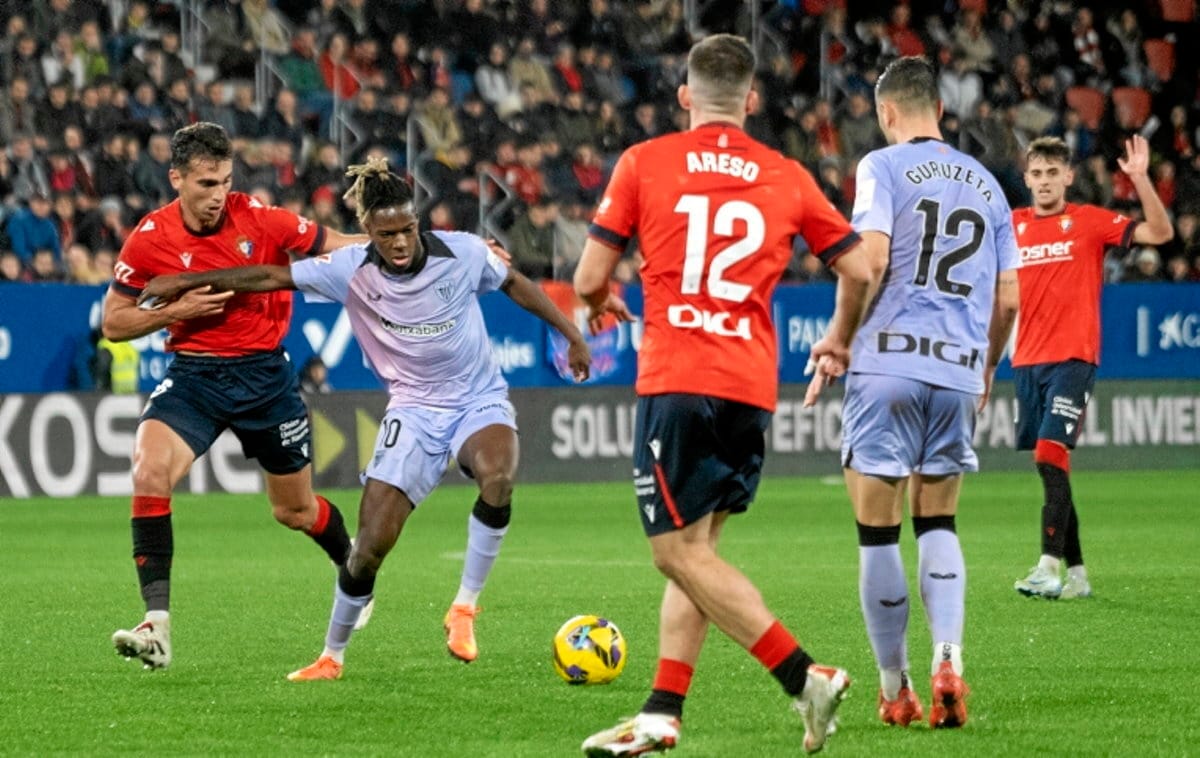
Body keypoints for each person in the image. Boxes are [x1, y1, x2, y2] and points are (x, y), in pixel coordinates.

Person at [138, 157, 592, 680]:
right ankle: (332, 655)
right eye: (385, 235)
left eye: (406, 230)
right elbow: (267, 275)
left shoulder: (464, 252)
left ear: (416, 223)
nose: (398, 243)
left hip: (477, 398)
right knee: (370, 547)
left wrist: (571, 334)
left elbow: (514, 282)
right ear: (368, 233)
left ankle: (464, 607)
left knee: (498, 477)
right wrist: (184, 282)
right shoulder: (348, 270)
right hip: (413, 410)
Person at [574, 34, 880, 756]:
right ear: (751, 100)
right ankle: (660, 712)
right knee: (699, 549)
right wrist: (837, 339)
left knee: (673, 554)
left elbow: (589, 275)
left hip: (679, 374)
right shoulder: (787, 174)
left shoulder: (645, 161)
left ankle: (805, 675)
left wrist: (602, 300)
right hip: (749, 386)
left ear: (684, 96)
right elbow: (860, 268)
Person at [101, 122, 370, 670]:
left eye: (225, 181)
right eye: (205, 183)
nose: (218, 195)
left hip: (266, 381)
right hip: (195, 378)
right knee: (149, 472)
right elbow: (113, 320)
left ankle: (351, 568)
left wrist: (420, 243)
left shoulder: (263, 219)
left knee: (293, 510)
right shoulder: (150, 237)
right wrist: (176, 313)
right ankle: (158, 627)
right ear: (176, 179)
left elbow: (339, 246)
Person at [805, 56, 1021, 731]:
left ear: (887, 112)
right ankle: (948, 660)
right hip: (958, 369)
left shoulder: (881, 167)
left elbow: (868, 260)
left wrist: (839, 340)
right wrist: (984, 367)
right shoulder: (988, 185)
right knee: (938, 524)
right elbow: (1010, 299)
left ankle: (896, 687)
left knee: (878, 535)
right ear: (940, 110)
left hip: (888, 362)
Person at [1010, 135, 1173, 599]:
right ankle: (1078, 575)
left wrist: (1140, 179)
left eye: (1052, 173)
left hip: (1073, 357)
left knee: (1048, 455)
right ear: (1027, 179)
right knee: (1053, 466)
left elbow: (1159, 234)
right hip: (1026, 362)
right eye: (1036, 173)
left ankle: (1047, 566)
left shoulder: (1089, 222)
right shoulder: (1011, 226)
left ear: (1068, 176)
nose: (1044, 181)